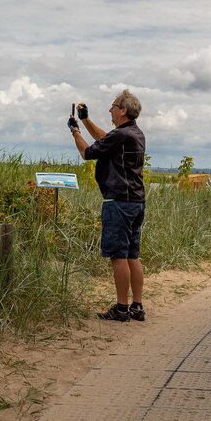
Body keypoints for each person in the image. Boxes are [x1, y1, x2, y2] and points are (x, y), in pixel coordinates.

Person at [68, 91, 146, 322]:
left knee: (118, 256)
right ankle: (137, 307)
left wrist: (75, 132)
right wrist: (84, 119)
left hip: (119, 201)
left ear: (123, 110)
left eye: (113, 107)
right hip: (136, 201)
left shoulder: (122, 135)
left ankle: (121, 308)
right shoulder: (134, 133)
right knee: (132, 255)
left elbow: (88, 152)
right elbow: (105, 138)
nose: (110, 110)